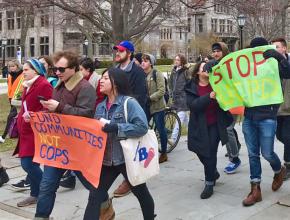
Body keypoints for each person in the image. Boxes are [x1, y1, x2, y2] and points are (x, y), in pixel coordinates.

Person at [34, 51, 106, 220]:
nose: (57, 72)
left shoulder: (85, 87)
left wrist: (59, 107)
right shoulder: (59, 84)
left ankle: (104, 204)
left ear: (73, 68)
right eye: (54, 69)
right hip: (58, 145)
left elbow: (87, 115)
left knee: (90, 183)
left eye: (61, 69)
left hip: (77, 147)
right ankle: (41, 216)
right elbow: (53, 111)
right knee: (47, 185)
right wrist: (38, 115)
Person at [94, 67, 155, 220]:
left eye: (106, 78)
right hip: (107, 160)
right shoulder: (100, 106)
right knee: (95, 195)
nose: (101, 80)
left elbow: (142, 127)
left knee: (141, 192)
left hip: (126, 158)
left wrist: (117, 127)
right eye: (102, 77)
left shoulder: (129, 103)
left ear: (116, 83)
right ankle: (106, 212)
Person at [242, 37, 290, 206]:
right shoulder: (246, 66)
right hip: (249, 116)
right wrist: (213, 69)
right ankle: (255, 189)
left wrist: (279, 57)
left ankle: (279, 170)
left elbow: (288, 72)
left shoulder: (273, 62)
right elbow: (230, 78)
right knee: (252, 154)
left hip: (268, 116)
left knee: (267, 153)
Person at [185, 61, 232, 199]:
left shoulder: (216, 82)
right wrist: (209, 96)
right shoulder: (191, 87)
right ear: (198, 72)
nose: (206, 69)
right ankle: (213, 171)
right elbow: (193, 106)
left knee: (210, 153)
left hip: (215, 124)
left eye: (208, 67)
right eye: (203, 67)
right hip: (199, 126)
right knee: (199, 151)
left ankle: (209, 183)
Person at [13, 59, 53, 207]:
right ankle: (35, 195)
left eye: (26, 70)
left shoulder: (44, 85)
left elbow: (50, 107)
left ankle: (47, 188)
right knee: (31, 163)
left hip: (36, 132)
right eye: (23, 69)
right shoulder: (28, 85)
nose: (23, 72)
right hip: (26, 130)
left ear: (35, 71)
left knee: (27, 164)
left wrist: (34, 115)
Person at [112, 41, 148, 198]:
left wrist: (129, 112)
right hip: (115, 114)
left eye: (121, 51)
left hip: (130, 115)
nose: (117, 53)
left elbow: (141, 97)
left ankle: (130, 179)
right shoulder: (114, 71)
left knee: (130, 148)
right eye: (116, 51)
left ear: (129, 53)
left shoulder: (137, 72)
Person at [59, 57, 101, 189]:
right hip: (67, 131)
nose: (57, 72)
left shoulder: (91, 83)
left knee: (80, 163)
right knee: (48, 183)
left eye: (81, 69)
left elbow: (93, 105)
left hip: (87, 124)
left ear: (88, 70)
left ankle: (100, 196)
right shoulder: (62, 85)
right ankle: (70, 176)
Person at [205, 42, 242, 174]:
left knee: (227, 129)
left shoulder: (231, 63)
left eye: (218, 51)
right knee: (227, 127)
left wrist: (215, 64)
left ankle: (235, 159)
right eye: (213, 51)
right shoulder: (212, 65)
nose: (215, 53)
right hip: (221, 103)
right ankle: (236, 146)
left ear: (224, 51)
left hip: (233, 102)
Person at [141, 53, 168, 163]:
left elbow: (162, 90)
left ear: (151, 63)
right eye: (142, 60)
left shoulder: (157, 73)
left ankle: (164, 153)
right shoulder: (142, 75)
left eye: (146, 61)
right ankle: (146, 151)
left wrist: (150, 98)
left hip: (157, 107)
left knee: (161, 130)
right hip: (146, 107)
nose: (143, 62)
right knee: (142, 128)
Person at [271, 38, 290, 180]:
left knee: (287, 137)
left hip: (289, 108)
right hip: (277, 109)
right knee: (280, 136)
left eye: (277, 47)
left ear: (284, 48)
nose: (274, 49)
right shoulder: (271, 65)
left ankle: (288, 166)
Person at [168, 54, 190, 144]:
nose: (176, 61)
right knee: (186, 120)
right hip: (176, 99)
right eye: (175, 59)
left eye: (178, 60)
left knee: (179, 119)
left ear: (182, 61)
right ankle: (195, 135)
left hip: (183, 99)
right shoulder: (174, 71)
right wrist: (171, 94)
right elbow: (171, 84)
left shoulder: (185, 72)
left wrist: (187, 94)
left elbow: (190, 84)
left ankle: (173, 138)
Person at [0, 60, 23, 143]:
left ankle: (3, 136)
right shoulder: (10, 76)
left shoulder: (22, 75)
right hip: (11, 98)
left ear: (17, 66)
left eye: (13, 66)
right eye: (10, 66)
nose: (11, 68)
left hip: (18, 99)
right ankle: (17, 133)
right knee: (17, 117)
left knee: (10, 116)